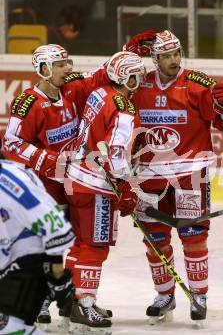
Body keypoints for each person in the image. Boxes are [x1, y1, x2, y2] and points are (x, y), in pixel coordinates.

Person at [124, 29, 223, 325]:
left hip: (190, 174)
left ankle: (198, 295)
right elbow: (108, 88)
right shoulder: (138, 84)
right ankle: (165, 294)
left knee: (194, 237)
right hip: (148, 176)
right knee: (154, 239)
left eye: (177, 53)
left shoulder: (199, 85)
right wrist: (126, 53)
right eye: (166, 55)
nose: (174, 59)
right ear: (155, 58)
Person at [1, 43, 112, 329]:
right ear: (44, 69)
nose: (68, 69)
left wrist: (129, 49)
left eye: (68, 62)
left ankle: (73, 299)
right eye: (61, 65)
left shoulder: (72, 88)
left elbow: (100, 75)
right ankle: (39, 301)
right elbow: (12, 144)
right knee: (47, 243)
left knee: (75, 239)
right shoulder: (28, 103)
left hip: (74, 180)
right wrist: (52, 161)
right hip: (44, 185)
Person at [64, 51, 144, 333]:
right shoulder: (125, 108)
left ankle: (70, 298)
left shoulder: (98, 92)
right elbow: (117, 152)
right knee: (94, 246)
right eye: (137, 75)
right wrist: (124, 183)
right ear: (127, 77)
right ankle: (84, 304)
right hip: (96, 185)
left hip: (76, 178)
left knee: (79, 243)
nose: (141, 80)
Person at [0, 158, 75, 335]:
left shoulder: (12, 185)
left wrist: (57, 275)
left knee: (9, 328)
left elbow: (55, 226)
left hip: (26, 259)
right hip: (8, 254)